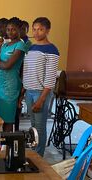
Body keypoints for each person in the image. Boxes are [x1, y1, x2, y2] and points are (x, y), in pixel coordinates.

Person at [22, 17, 59, 157]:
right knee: (33, 127)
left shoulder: (52, 50)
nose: (36, 33)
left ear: (48, 30)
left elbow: (50, 79)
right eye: (34, 29)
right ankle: (33, 154)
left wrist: (41, 100)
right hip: (29, 92)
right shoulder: (31, 47)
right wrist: (23, 92)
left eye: (40, 29)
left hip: (40, 93)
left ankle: (39, 158)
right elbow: (28, 71)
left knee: (40, 128)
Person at [0, 17, 26, 132]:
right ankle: (1, 146)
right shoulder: (5, 45)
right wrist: (2, 64)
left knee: (8, 120)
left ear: (19, 30)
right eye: (8, 29)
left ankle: (8, 147)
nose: (10, 32)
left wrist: (0, 64)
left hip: (11, 87)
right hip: (1, 86)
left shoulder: (20, 45)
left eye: (13, 29)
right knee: (0, 118)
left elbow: (8, 66)